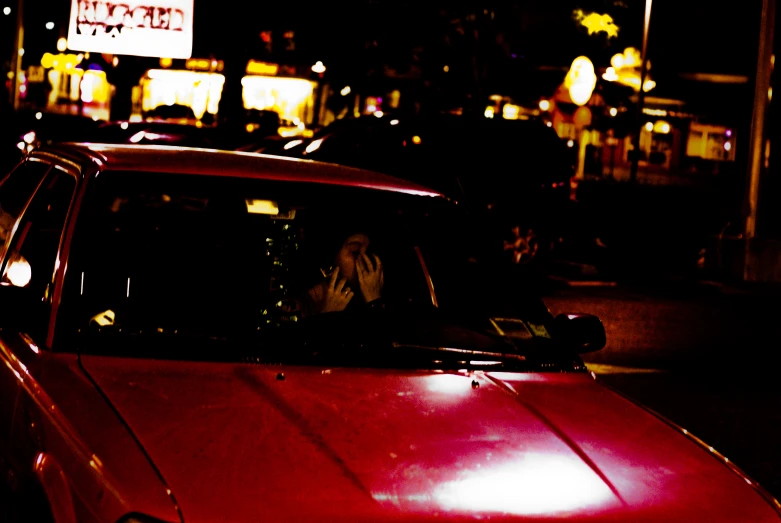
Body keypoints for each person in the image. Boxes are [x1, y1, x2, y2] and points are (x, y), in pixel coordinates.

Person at [303, 231, 384, 316]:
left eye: (367, 252)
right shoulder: (299, 305)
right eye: (355, 252)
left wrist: (374, 299)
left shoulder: (359, 300)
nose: (364, 259)